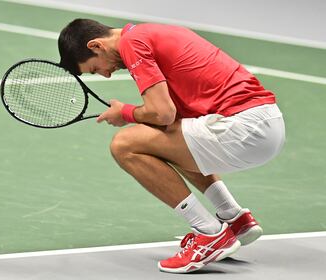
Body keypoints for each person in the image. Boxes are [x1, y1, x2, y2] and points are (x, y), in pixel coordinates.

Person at [58, 19, 285, 273]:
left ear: (96, 45)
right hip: (265, 124)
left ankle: (209, 234)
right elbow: (170, 120)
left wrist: (126, 113)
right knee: (165, 136)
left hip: (245, 129)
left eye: (94, 68)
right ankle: (234, 218)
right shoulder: (149, 33)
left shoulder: (133, 44)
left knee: (124, 145)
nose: (106, 74)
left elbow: (162, 113)